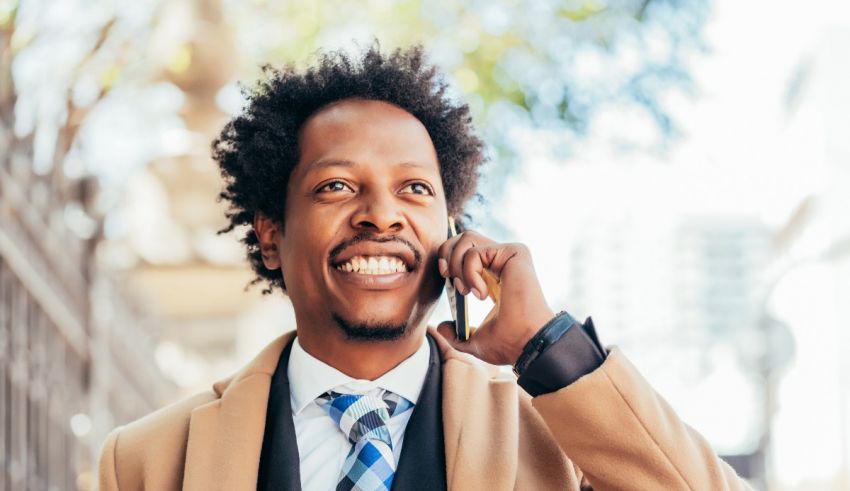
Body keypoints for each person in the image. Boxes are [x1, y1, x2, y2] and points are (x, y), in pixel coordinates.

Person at [97, 45, 752, 491]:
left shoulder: (560, 440)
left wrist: (549, 345)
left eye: (414, 189)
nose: (382, 215)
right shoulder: (149, 460)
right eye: (335, 187)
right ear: (271, 236)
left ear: (452, 233)